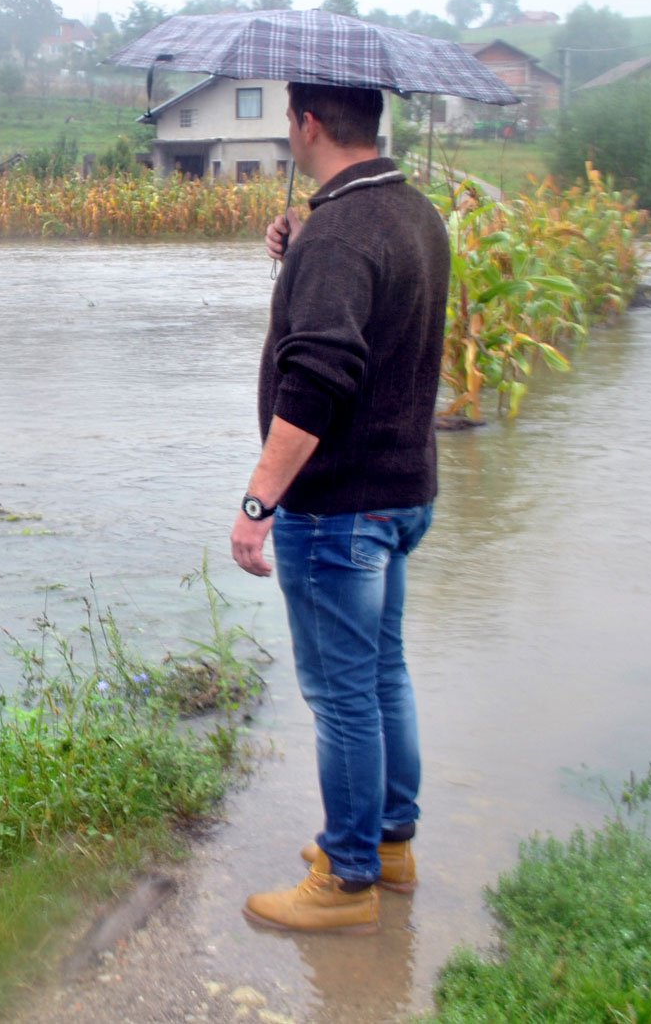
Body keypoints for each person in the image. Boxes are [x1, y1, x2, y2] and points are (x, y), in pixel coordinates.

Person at [230, 81, 449, 934]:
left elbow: (317, 377)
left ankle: (348, 877)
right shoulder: (412, 213)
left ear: (309, 123)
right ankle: (388, 845)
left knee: (343, 694)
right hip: (402, 491)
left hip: (339, 504)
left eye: (288, 119)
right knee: (382, 673)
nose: (289, 131)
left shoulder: (341, 233)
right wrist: (303, 247)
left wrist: (259, 500)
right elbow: (378, 310)